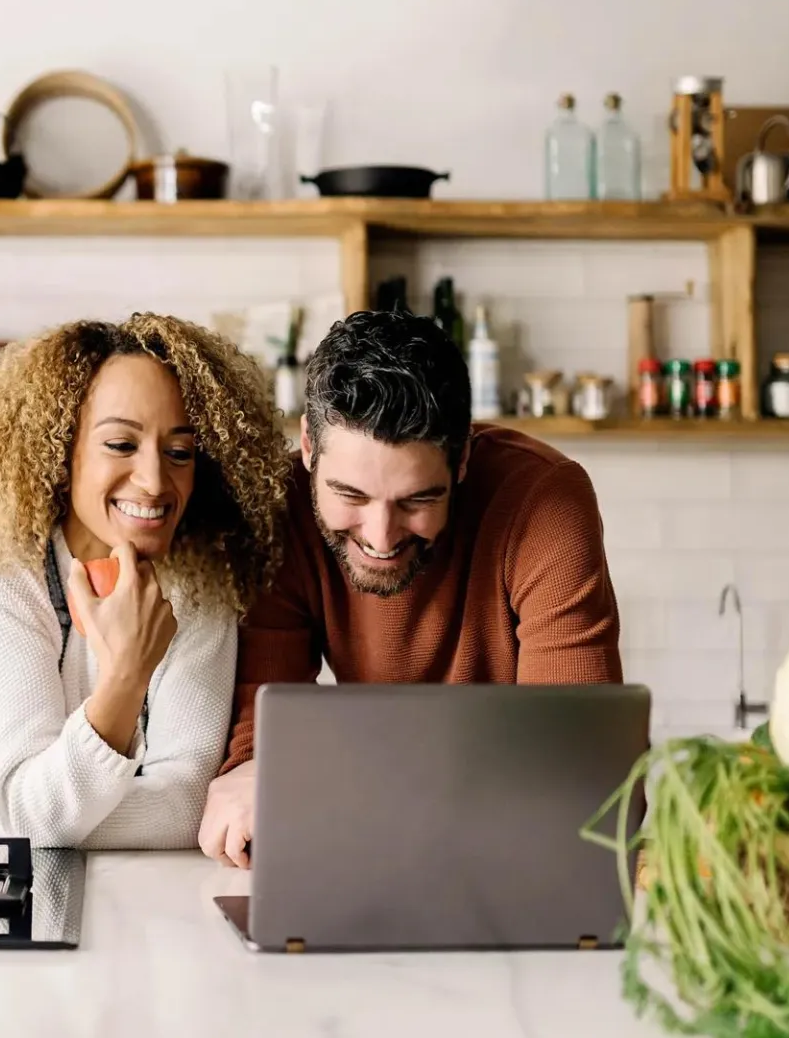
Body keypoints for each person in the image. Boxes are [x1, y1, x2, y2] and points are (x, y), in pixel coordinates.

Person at [197, 310, 623, 867]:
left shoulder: (545, 502)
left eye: (417, 500)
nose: (380, 536)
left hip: (518, 859)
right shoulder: (280, 508)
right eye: (350, 495)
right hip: (398, 844)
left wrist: (324, 779)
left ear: (463, 457)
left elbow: (575, 759)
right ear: (307, 446)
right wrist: (255, 771)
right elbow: (262, 723)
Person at [0, 313, 288, 848]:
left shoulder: (204, 587)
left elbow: (184, 805)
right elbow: (27, 797)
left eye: (179, 452)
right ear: (62, 449)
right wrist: (127, 676)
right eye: (121, 445)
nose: (155, 481)